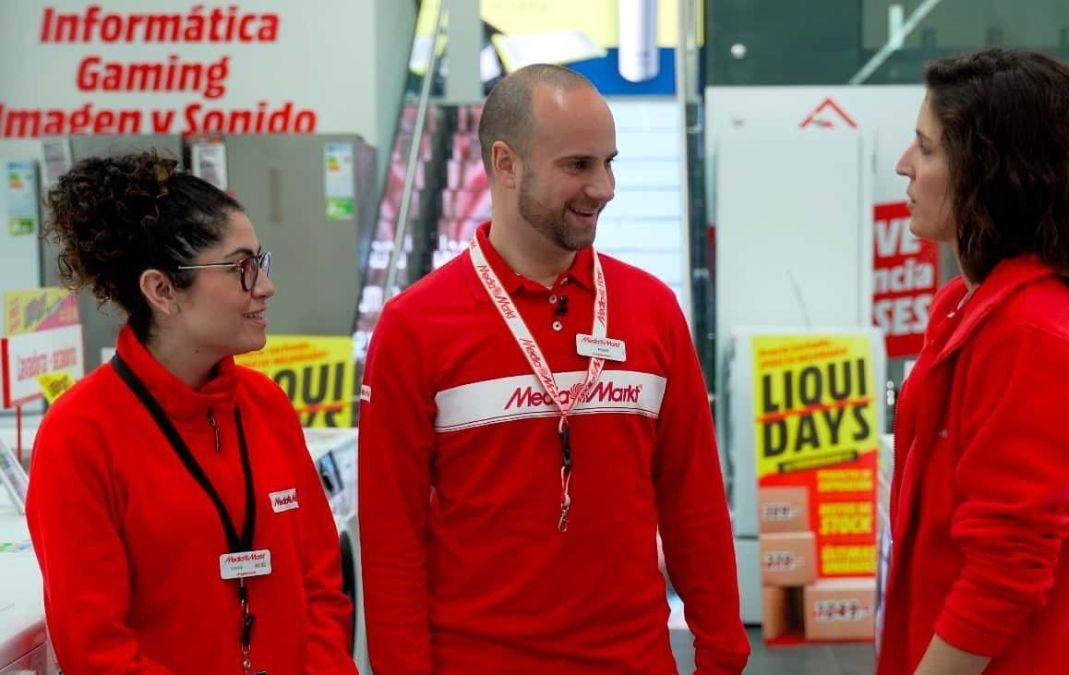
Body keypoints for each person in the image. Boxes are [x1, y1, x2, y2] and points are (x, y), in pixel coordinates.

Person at [359, 64, 750, 672]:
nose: (605, 187)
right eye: (578, 166)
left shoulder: (651, 310)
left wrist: (722, 650)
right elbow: (391, 540)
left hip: (636, 660)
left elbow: (691, 498)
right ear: (506, 163)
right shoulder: (415, 326)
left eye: (609, 162)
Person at [25, 152, 358, 674]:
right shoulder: (80, 434)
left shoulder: (266, 407)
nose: (265, 287)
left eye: (260, 264)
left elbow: (321, 584)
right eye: (240, 269)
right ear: (162, 291)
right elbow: (96, 649)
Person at [881, 49, 1069, 674]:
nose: (904, 166)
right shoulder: (967, 308)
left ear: (993, 173)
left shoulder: (1028, 333)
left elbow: (1006, 568)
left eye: (928, 148)